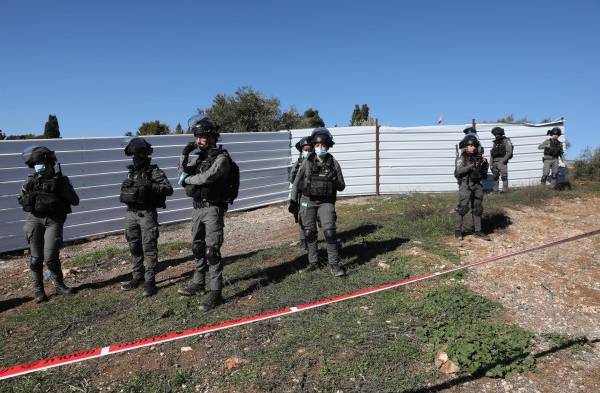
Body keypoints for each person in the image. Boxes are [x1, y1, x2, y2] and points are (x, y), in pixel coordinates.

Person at [177, 116, 233, 311]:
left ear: (212, 137)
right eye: (197, 137)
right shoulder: (199, 157)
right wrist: (184, 156)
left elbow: (208, 177)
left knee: (212, 251)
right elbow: (181, 174)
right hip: (197, 208)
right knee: (197, 247)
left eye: (202, 137)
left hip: (212, 208)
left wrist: (187, 180)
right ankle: (198, 282)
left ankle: (215, 292)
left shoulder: (222, 158)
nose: (198, 141)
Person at [17, 146, 80, 303]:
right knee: (35, 259)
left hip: (54, 220)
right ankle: (38, 291)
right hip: (34, 219)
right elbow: (21, 200)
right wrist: (26, 194)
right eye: (35, 163)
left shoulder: (62, 180)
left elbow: (75, 200)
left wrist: (61, 188)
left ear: (49, 162)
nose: (37, 166)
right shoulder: (32, 180)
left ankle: (59, 285)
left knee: (51, 256)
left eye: (40, 162)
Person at [119, 137, 173, 297]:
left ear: (144, 155)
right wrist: (125, 187)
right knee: (134, 246)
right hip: (130, 213)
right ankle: (137, 276)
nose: (135, 159)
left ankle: (150, 281)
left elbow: (168, 189)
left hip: (146, 214)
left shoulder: (154, 171)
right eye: (133, 156)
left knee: (149, 247)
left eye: (137, 155)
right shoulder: (131, 172)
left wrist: (150, 185)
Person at [290, 127, 346, 276]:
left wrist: (334, 178)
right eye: (318, 145)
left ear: (328, 146)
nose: (320, 148)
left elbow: (342, 186)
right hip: (308, 200)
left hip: (326, 202)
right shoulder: (307, 162)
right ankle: (313, 262)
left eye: (323, 145)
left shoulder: (333, 163)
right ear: (314, 146)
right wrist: (293, 200)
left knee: (329, 232)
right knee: (309, 232)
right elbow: (296, 182)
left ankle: (334, 265)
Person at [454, 135, 490, 241]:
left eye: (474, 145)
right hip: (465, 185)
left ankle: (478, 231)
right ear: (465, 146)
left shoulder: (480, 158)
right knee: (462, 208)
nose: (473, 147)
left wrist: (484, 165)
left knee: (478, 209)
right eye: (470, 145)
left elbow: (484, 175)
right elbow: (459, 171)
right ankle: (458, 231)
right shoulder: (461, 158)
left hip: (477, 185)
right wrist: (472, 165)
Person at [289, 136, 314, 249]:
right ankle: (303, 240)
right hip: (300, 196)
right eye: (305, 150)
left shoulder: (316, 163)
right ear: (301, 151)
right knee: (301, 218)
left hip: (314, 195)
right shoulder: (297, 164)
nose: (307, 152)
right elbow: (291, 179)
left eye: (309, 150)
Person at [489, 127, 513, 192]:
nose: (496, 135)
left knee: (504, 177)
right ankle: (495, 190)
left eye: (497, 134)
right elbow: (492, 153)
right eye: (495, 134)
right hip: (494, 162)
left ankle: (505, 191)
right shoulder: (495, 142)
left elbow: (509, 152)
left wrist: (503, 161)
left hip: (502, 161)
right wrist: (490, 164)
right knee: (495, 177)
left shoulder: (506, 141)